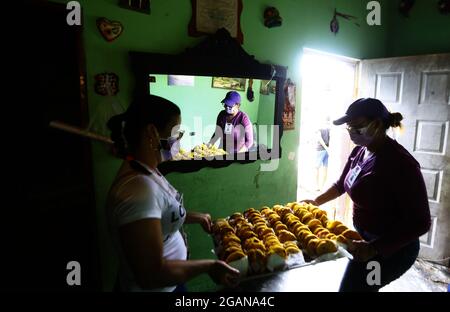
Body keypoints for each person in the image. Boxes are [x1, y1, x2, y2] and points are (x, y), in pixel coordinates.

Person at [106, 94, 240, 292]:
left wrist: (192, 217)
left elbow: (156, 217)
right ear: (152, 133)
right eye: (176, 132)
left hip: (171, 285)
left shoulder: (146, 170)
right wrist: (209, 266)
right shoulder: (138, 190)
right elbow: (151, 274)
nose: (179, 139)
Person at [301, 98, 431, 292]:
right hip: (363, 241)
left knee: (360, 287)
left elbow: (421, 222)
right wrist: (316, 201)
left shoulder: (401, 164)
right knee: (356, 287)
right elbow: (341, 185)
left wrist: (374, 248)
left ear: (377, 124)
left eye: (357, 128)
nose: (352, 133)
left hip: (391, 249)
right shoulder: (360, 152)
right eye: (349, 128)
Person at [315, 117, 330, 191]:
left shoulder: (319, 128)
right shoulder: (329, 128)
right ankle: (322, 187)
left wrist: (325, 147)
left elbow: (319, 138)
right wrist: (328, 148)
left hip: (320, 149)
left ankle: (317, 186)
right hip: (327, 149)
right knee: (325, 168)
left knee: (316, 168)